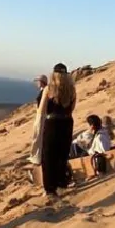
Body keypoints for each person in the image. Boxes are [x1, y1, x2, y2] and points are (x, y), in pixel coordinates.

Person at [37, 64, 76, 199]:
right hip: (67, 123)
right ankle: (61, 185)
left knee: (48, 157)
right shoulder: (71, 90)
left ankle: (49, 189)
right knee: (62, 155)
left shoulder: (49, 89)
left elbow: (41, 110)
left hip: (52, 123)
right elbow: (72, 109)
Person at [28, 74, 48, 164]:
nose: (37, 83)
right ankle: (35, 156)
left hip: (42, 116)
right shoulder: (42, 90)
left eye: (38, 81)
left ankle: (37, 157)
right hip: (40, 115)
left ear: (41, 82)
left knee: (39, 136)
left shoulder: (45, 90)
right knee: (37, 135)